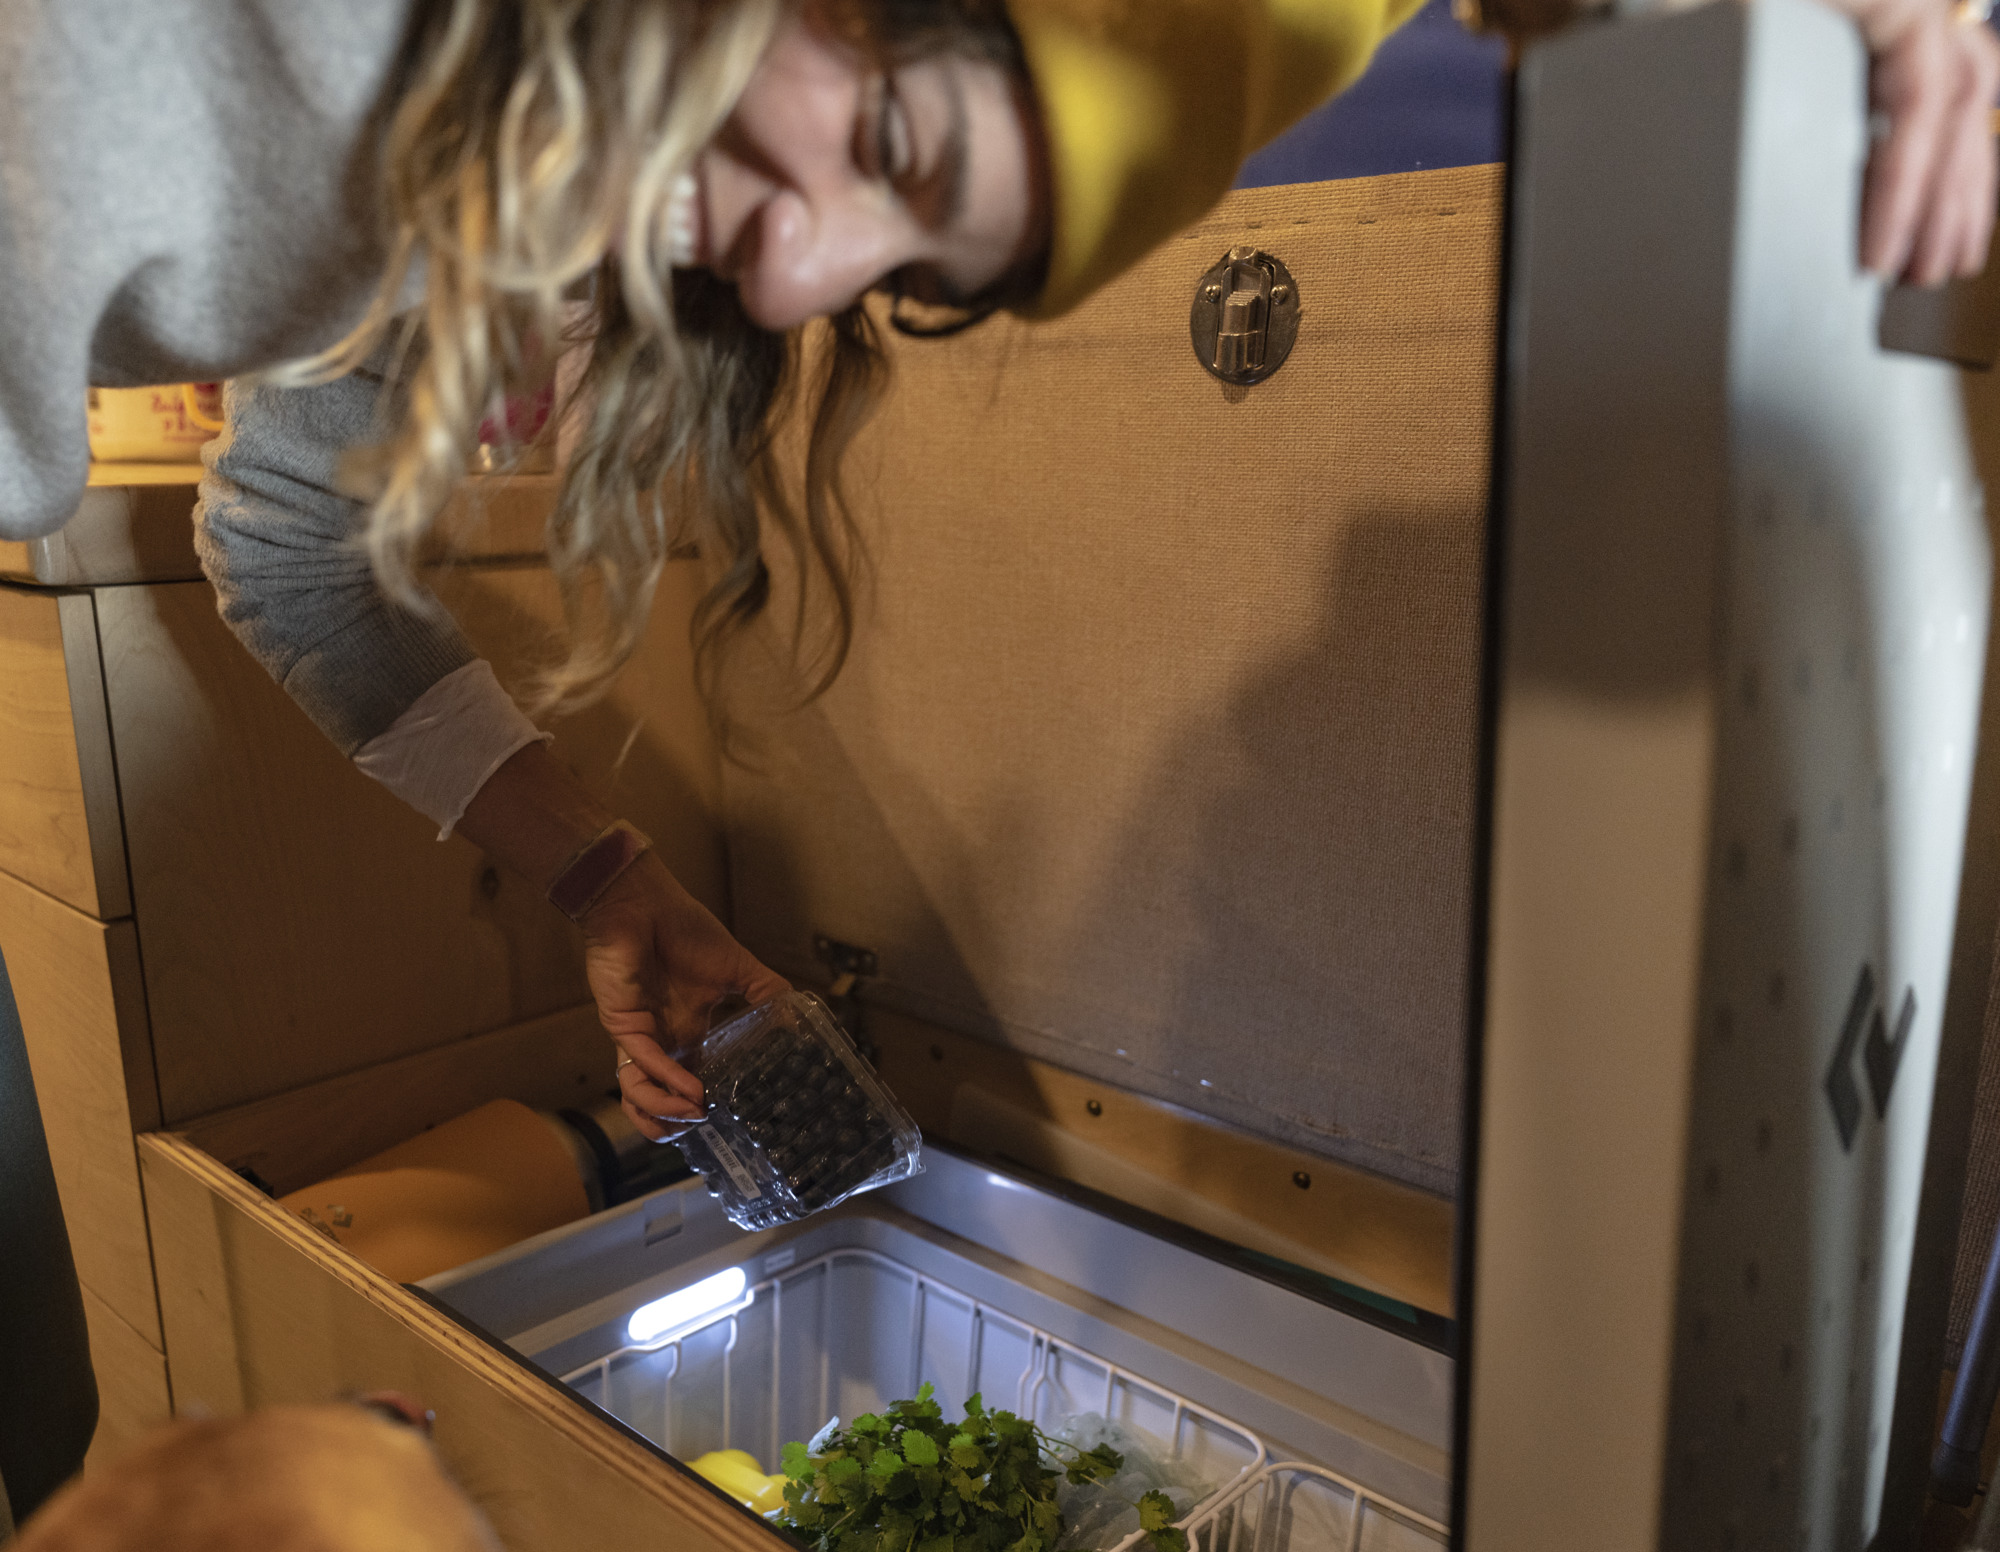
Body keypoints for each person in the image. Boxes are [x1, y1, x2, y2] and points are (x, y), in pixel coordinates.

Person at [4, 0, 1997, 1166]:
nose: (793, 277)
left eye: (899, 269)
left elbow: (278, 527)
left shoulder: (602, 199)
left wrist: (609, 879)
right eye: (884, 131)